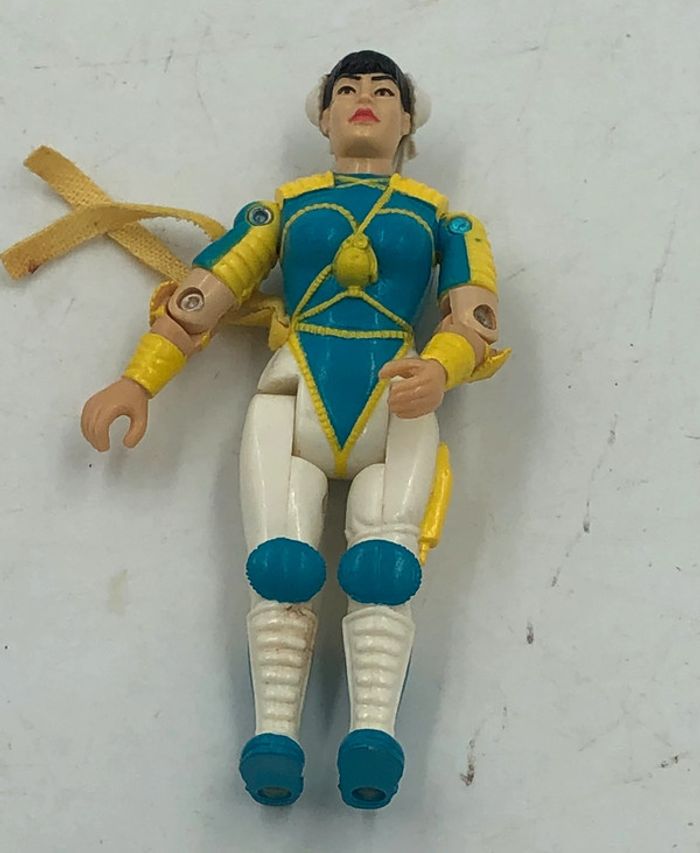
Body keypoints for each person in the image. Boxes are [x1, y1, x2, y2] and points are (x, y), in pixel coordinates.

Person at [80, 50, 509, 809]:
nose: (365, 99)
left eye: (383, 90)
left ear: (409, 118)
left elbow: (472, 316)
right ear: (324, 115)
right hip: (292, 396)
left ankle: (373, 737)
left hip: (397, 402)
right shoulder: (282, 210)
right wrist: (137, 379)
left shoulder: (446, 220)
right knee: (280, 568)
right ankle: (273, 737)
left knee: (385, 573)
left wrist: (442, 368)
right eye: (349, 90)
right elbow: (203, 296)